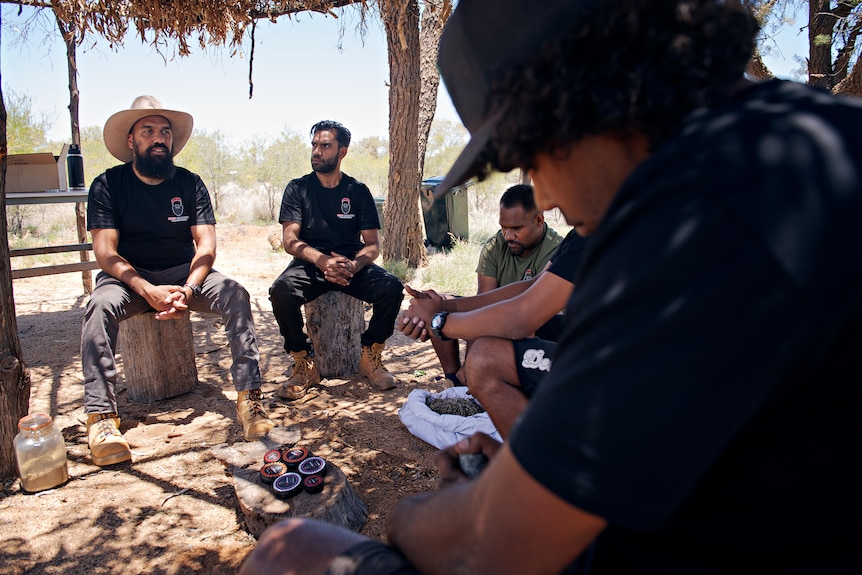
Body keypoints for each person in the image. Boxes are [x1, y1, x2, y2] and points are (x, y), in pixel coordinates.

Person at [241, 1, 862, 573]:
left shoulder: (689, 228)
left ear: (582, 106)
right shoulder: (802, 134)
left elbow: (494, 545)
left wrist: (406, 518)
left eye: (531, 155)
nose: (547, 197)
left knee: (288, 551)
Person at [83, 95, 274, 467]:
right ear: (131, 141)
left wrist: (187, 289)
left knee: (236, 294)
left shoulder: (189, 183)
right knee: (98, 306)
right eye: (148, 131)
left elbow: (206, 245)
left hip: (184, 275)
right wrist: (146, 289)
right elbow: (106, 253)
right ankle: (102, 419)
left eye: (165, 132)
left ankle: (249, 398)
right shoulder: (108, 185)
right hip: (129, 280)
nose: (158, 138)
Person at [401, 228, 586, 436]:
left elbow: (522, 319)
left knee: (485, 358)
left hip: (610, 365)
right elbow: (532, 287)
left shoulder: (604, 229)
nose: (548, 201)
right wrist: (446, 306)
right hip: (583, 339)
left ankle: (535, 459)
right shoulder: (582, 233)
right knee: (491, 323)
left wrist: (438, 321)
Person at [269, 120, 404, 399]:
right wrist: (320, 260)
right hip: (311, 263)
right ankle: (303, 361)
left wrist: (354, 265)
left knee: (391, 287)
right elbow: (290, 240)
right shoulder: (298, 189)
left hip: (350, 265)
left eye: (325, 146)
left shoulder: (357, 191)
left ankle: (370, 356)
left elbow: (372, 245)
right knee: (281, 291)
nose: (316, 151)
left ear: (342, 152)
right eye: (314, 145)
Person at [428, 183, 563, 387]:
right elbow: (482, 302)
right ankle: (454, 381)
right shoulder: (495, 245)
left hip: (534, 323)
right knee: (435, 307)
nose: (508, 236)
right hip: (496, 315)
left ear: (539, 220)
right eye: (503, 227)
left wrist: (475, 368)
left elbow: (533, 317)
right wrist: (470, 365)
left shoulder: (557, 251)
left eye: (516, 228)